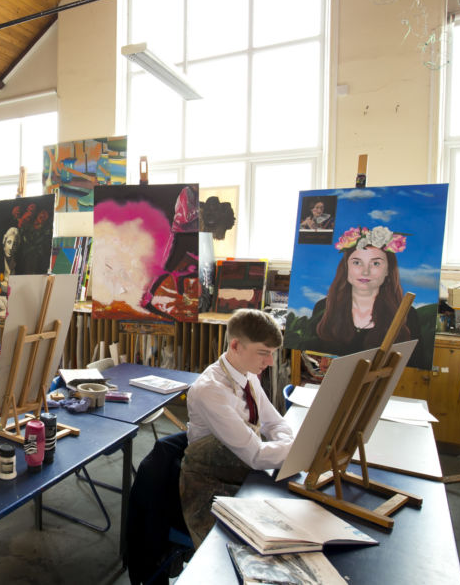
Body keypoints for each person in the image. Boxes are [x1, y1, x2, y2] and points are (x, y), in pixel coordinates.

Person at [125, 309, 292, 584]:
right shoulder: (211, 389)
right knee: (246, 560)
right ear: (235, 345)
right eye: (264, 352)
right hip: (206, 485)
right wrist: (298, 452)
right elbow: (256, 455)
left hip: (236, 469)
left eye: (272, 352)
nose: (270, 361)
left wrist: (289, 443)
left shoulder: (248, 376)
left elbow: (275, 423)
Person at [308, 225, 424, 366]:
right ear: (346, 268)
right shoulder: (323, 308)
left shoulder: (406, 314)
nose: (365, 272)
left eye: (375, 263)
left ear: (388, 270)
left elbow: (414, 364)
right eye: (357, 262)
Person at [140, 185, 200, 320]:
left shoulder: (197, 194)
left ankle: (179, 278)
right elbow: (185, 218)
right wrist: (202, 210)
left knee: (198, 265)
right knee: (165, 268)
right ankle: (146, 299)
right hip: (180, 235)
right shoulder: (187, 192)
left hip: (193, 235)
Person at [0, 226, 19, 296]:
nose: (11, 248)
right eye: (9, 242)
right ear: (4, 242)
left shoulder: (18, 264)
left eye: (14, 244)